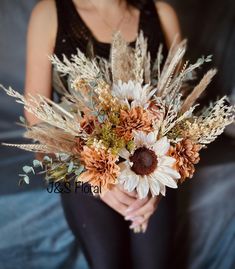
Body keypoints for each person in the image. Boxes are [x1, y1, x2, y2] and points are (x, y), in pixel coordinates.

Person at [25, 0, 181, 268]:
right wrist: (97, 178)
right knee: (107, 261)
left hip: (150, 161)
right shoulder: (50, 13)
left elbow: (180, 111)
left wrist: (158, 176)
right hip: (80, 161)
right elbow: (37, 118)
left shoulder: (162, 14)